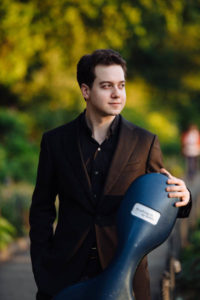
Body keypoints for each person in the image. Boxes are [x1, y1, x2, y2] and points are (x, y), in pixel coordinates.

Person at [29, 49, 192, 300]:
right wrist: (43, 271)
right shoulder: (55, 142)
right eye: (106, 86)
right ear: (86, 91)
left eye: (121, 85)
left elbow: (161, 197)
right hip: (64, 275)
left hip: (126, 275)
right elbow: (41, 210)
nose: (117, 94)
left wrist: (184, 198)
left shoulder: (145, 142)